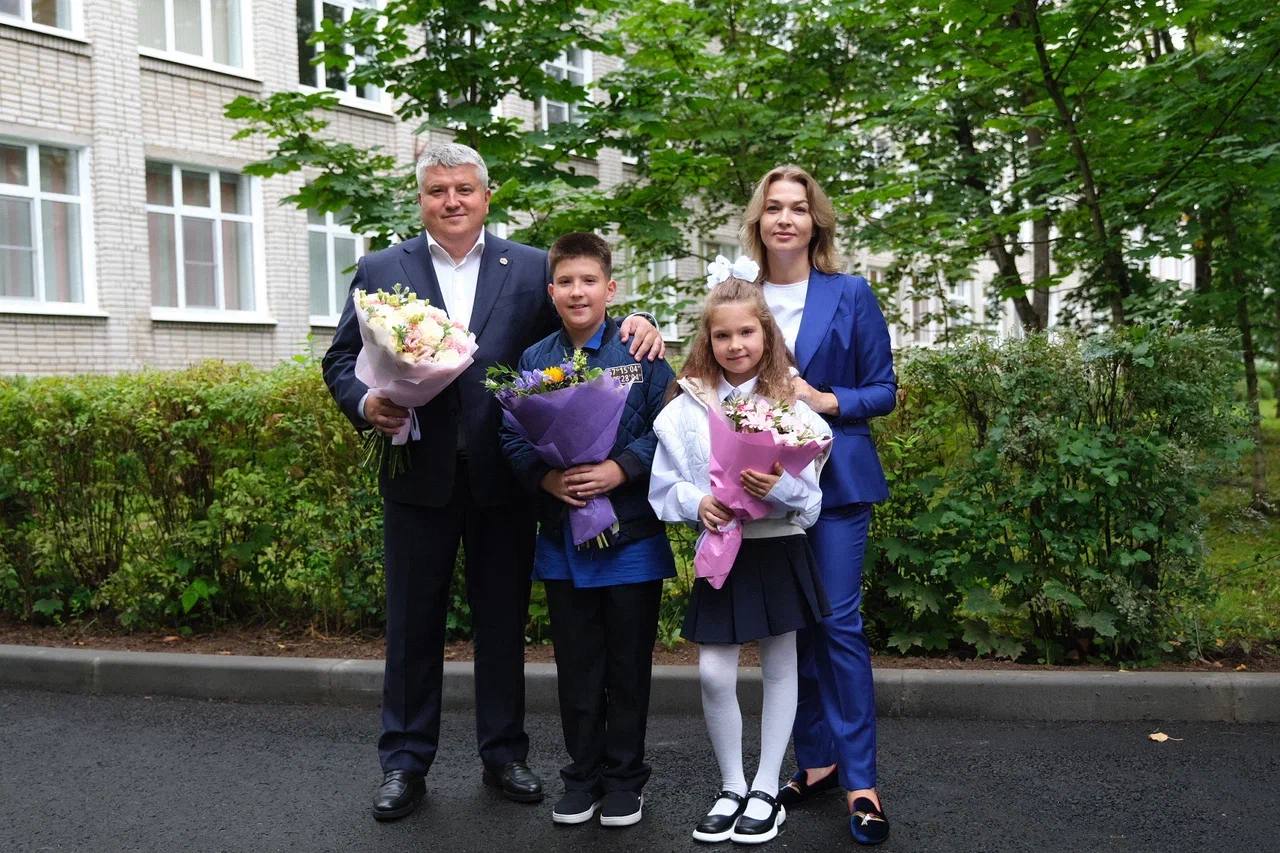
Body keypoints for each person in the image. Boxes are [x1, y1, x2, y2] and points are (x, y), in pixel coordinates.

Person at [321, 143, 664, 822]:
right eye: (437, 190)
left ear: (486, 196)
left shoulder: (531, 267)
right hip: (416, 474)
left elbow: (579, 327)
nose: (451, 201)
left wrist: (641, 323)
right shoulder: (382, 267)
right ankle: (404, 762)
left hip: (506, 478)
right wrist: (366, 402)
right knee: (412, 625)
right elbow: (340, 358)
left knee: (502, 623)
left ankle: (504, 753)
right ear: (421, 199)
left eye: (464, 189)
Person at [499, 232, 677, 829]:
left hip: (631, 539)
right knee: (577, 669)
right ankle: (582, 777)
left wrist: (620, 468)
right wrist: (547, 478)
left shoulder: (640, 351)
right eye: (566, 282)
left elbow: (671, 427)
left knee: (627, 668)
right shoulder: (534, 359)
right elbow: (511, 434)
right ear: (551, 291)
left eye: (589, 281)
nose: (578, 292)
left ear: (611, 288)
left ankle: (625, 780)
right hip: (563, 541)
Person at [741, 165, 896, 846]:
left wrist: (823, 399)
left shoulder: (850, 292)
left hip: (837, 484)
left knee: (837, 624)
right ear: (759, 221)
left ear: (815, 222)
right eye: (774, 207)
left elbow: (882, 389)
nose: (785, 219)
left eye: (798, 208)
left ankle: (862, 781)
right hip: (763, 484)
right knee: (791, 628)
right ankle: (818, 762)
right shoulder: (740, 293)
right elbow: (709, 369)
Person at [649, 275, 833, 845]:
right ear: (707, 339)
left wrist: (780, 486)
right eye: (722, 335)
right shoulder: (687, 405)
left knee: (780, 668)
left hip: (778, 546)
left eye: (746, 333)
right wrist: (697, 502)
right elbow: (664, 486)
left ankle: (765, 789)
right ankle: (730, 785)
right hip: (722, 550)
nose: (735, 345)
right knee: (712, 672)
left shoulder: (791, 406)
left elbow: (811, 503)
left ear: (766, 334)